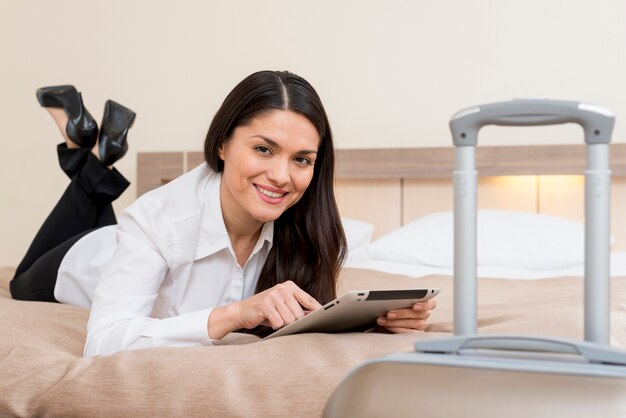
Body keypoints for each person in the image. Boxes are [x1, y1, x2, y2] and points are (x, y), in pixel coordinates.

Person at [11, 71, 437, 357]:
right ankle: (88, 161)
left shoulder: (307, 227)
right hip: (83, 259)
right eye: (263, 149)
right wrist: (234, 315)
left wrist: (378, 322)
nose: (281, 176)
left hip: (124, 239)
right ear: (222, 144)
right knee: (19, 280)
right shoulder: (157, 220)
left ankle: (88, 151)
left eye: (302, 160)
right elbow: (103, 342)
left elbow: (305, 321)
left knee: (108, 213)